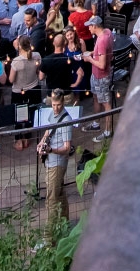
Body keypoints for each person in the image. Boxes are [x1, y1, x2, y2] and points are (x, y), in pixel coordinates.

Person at [36, 90, 78, 224]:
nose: (56, 108)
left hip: (57, 163)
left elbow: (67, 148)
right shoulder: (52, 114)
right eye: (53, 105)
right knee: (59, 194)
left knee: (51, 200)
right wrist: (41, 142)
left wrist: (51, 149)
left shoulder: (66, 121)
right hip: (50, 161)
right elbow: (48, 130)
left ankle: (49, 237)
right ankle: (65, 224)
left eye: (58, 105)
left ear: (63, 103)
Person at [86, 15, 115, 132]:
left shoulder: (102, 40)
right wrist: (92, 52)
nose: (88, 28)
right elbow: (103, 52)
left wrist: (89, 59)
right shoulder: (107, 32)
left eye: (90, 26)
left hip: (101, 76)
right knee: (96, 98)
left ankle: (108, 131)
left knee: (106, 103)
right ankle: (96, 123)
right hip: (95, 75)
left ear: (95, 26)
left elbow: (102, 65)